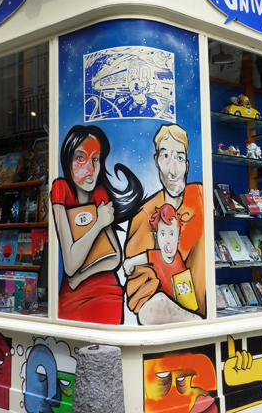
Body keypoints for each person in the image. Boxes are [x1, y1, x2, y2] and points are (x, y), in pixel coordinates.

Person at [52, 125, 143, 324]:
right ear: (68, 160)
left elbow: (115, 257)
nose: (90, 169)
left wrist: (81, 277)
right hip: (71, 300)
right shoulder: (61, 189)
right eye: (80, 158)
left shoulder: (100, 194)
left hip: (108, 294)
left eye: (95, 159)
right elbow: (70, 264)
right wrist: (98, 224)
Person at [125, 124, 205, 324]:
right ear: (156, 162)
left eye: (179, 158)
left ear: (187, 165)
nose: (173, 170)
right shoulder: (144, 216)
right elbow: (144, 304)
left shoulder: (201, 196)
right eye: (165, 156)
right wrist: (194, 322)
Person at [123, 203, 197, 312]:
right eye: (162, 234)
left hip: (178, 305)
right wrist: (129, 263)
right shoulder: (156, 256)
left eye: (171, 234)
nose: (167, 240)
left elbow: (185, 286)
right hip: (163, 306)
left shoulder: (178, 257)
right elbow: (140, 258)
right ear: (156, 237)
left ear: (178, 238)